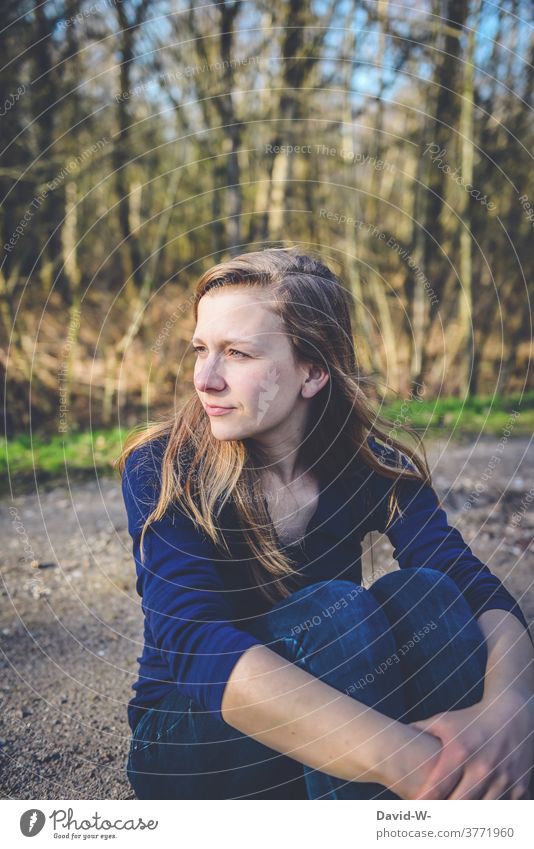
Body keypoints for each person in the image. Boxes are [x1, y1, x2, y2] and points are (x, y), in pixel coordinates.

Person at [117, 247, 534, 801]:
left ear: (312, 372)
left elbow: (475, 588)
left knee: (428, 594)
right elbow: (195, 642)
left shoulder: (373, 465)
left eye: (237, 354)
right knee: (332, 613)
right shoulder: (164, 466)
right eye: (201, 350)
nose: (205, 379)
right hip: (190, 744)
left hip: (339, 727)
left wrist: (509, 715)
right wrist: (412, 763)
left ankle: (476, 805)